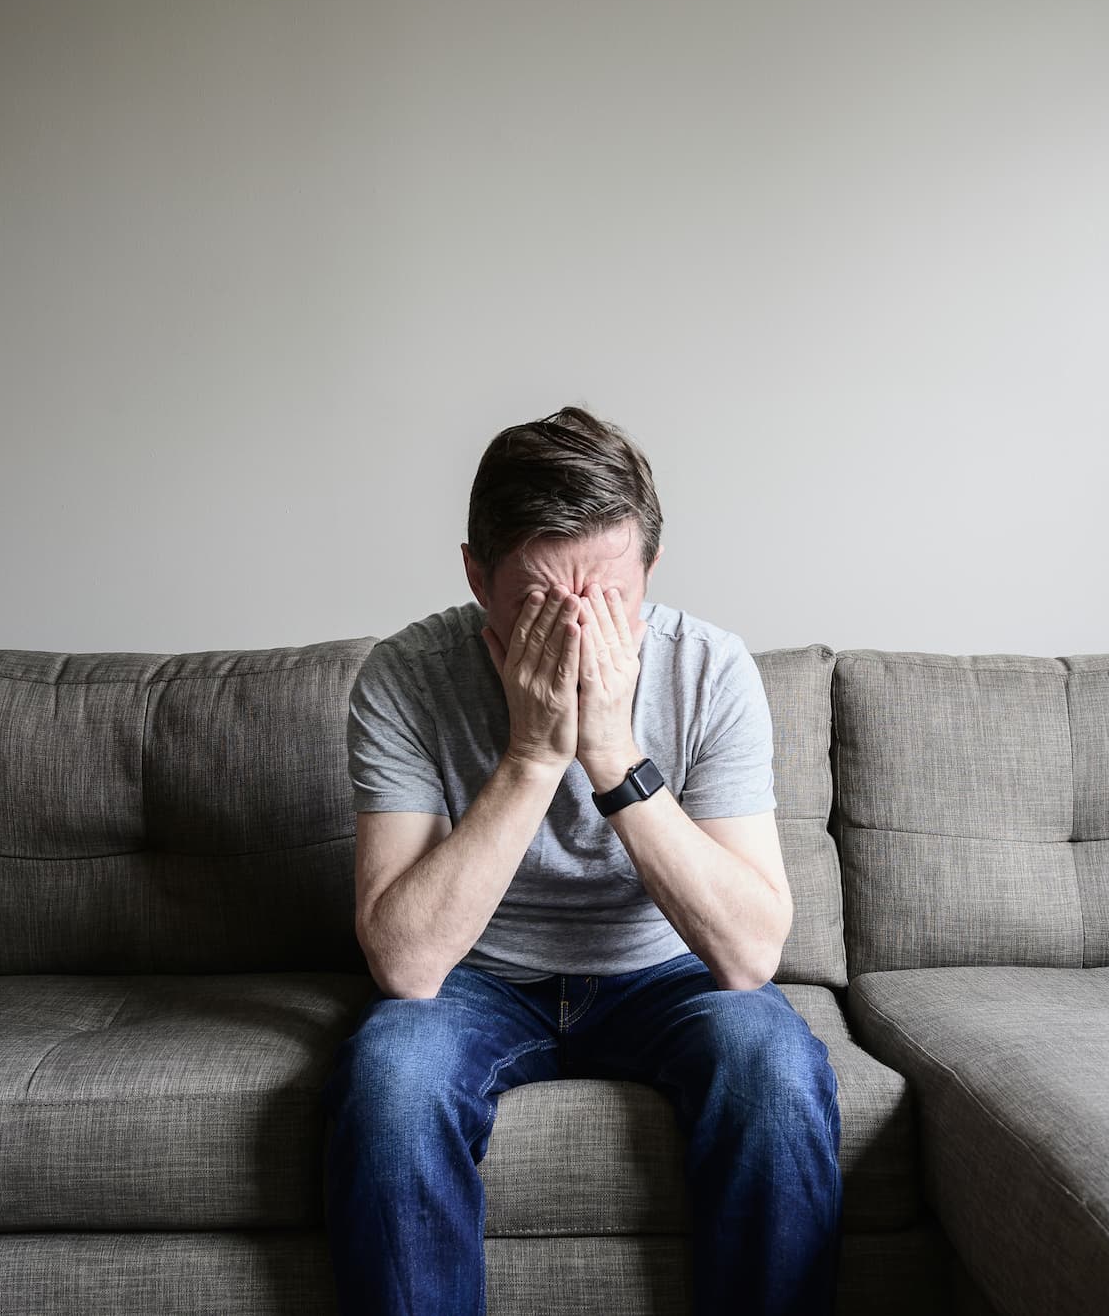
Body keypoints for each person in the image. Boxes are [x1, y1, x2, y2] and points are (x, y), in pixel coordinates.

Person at [319, 405, 843, 1316]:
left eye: (610, 600)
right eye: (537, 604)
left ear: (650, 569)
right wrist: (530, 758)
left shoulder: (711, 670)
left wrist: (612, 755)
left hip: (664, 971)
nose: (576, 632)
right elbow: (404, 963)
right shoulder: (405, 676)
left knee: (777, 1068)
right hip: (477, 979)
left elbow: (750, 954)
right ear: (476, 576)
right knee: (389, 1082)